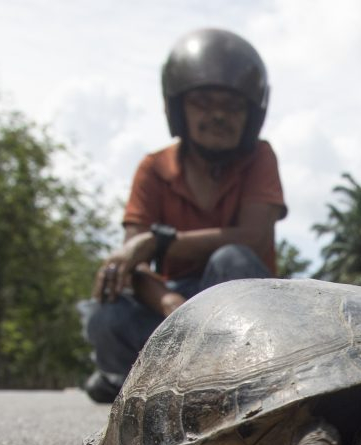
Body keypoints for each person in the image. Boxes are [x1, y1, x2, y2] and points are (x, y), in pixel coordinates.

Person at [80, 28, 287, 403]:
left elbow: (252, 238)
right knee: (105, 315)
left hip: (239, 315)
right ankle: (134, 379)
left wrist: (160, 243)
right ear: (178, 108)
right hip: (169, 308)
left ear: (251, 115)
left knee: (232, 259)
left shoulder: (260, 157)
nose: (218, 115)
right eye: (203, 103)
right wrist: (169, 305)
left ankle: (234, 384)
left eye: (233, 106)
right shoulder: (153, 168)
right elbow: (134, 265)